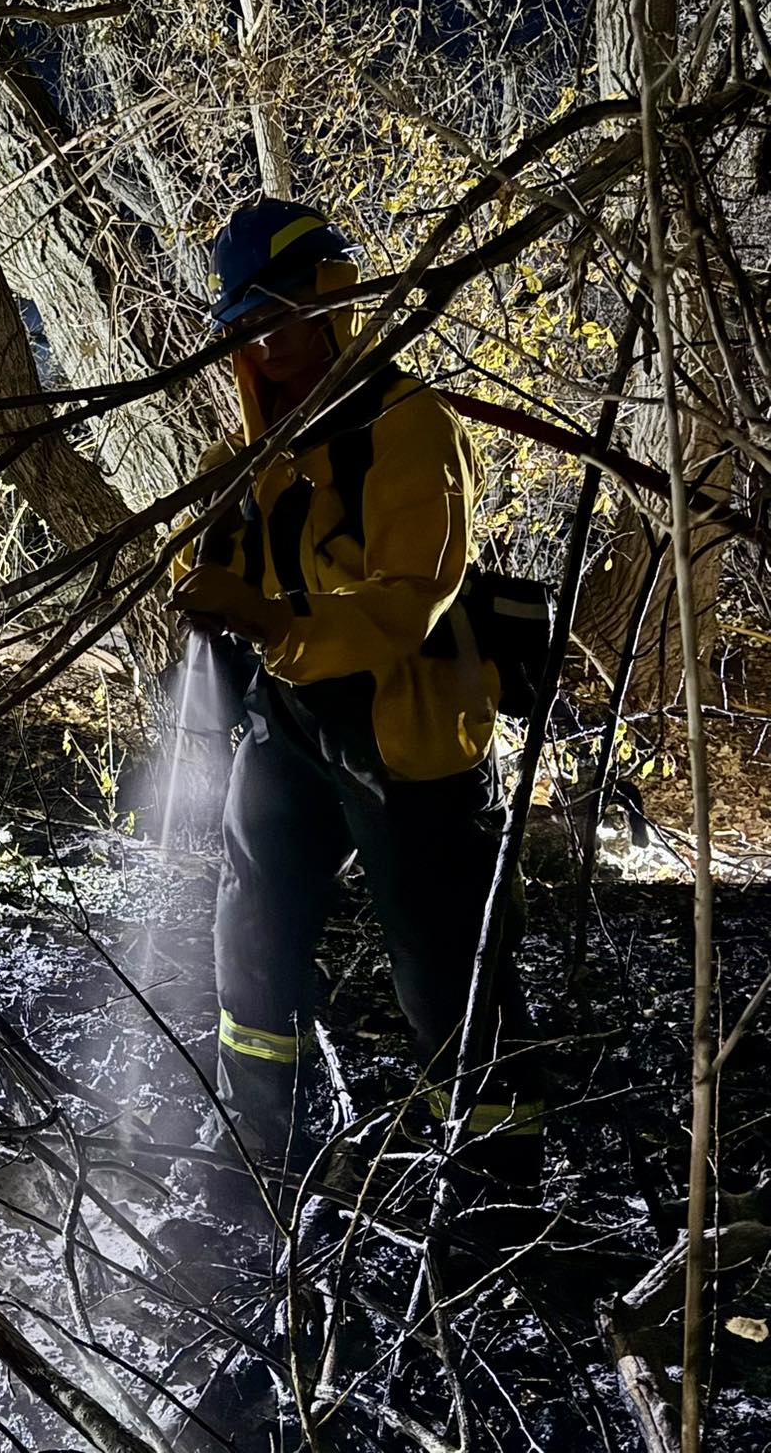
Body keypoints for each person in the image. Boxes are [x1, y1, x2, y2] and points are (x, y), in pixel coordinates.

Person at [169, 198, 544, 1216]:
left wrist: (265, 617)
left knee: (439, 964)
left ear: (332, 299)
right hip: (292, 719)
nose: (264, 344)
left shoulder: (409, 425)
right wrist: (201, 573)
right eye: (245, 327)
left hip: (409, 725)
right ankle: (259, 1140)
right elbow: (218, 560)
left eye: (279, 315)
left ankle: (491, 1182)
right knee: (250, 927)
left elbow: (401, 606)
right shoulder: (247, 452)